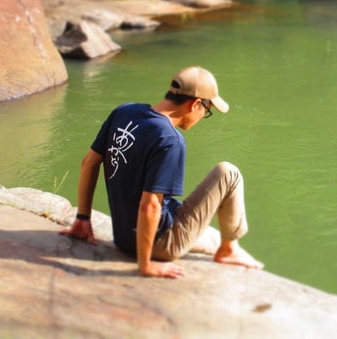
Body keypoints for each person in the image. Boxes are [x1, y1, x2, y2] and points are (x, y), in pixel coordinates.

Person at [60, 66, 263, 278]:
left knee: (213, 237)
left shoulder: (124, 112)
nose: (204, 115)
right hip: (161, 243)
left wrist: (83, 218)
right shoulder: (169, 140)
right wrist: (145, 265)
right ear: (195, 104)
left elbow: (89, 163)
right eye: (207, 110)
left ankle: (228, 246)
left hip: (122, 237)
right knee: (228, 173)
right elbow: (150, 205)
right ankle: (228, 250)